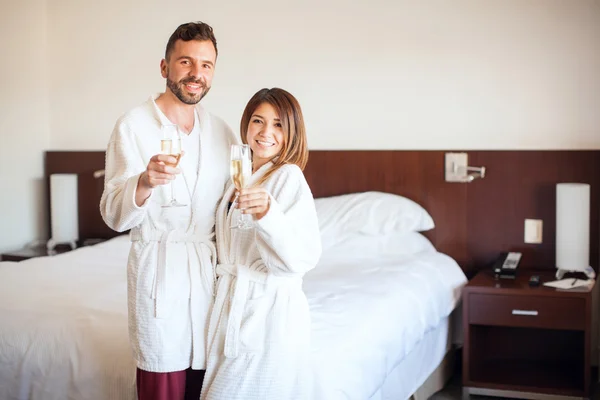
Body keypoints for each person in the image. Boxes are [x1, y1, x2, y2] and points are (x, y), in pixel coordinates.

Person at [100, 21, 236, 400]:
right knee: (164, 381)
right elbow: (113, 214)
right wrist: (143, 182)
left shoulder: (223, 133)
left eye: (206, 65)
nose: (196, 74)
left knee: (206, 383)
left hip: (207, 279)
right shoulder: (133, 125)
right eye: (186, 62)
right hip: (159, 273)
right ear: (165, 67)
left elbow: (229, 212)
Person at [200, 88, 322, 400]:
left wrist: (269, 214)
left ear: (292, 131)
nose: (266, 132)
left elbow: (302, 258)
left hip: (268, 313)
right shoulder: (239, 177)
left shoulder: (288, 177)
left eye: (278, 124)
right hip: (231, 302)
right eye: (258, 121)